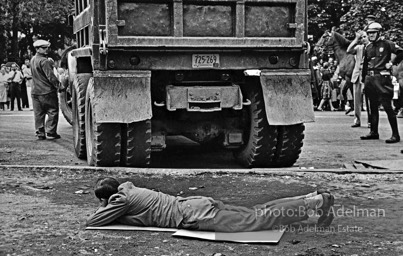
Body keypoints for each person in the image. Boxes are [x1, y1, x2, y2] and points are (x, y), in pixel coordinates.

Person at [86, 177, 335, 232]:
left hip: (195, 215)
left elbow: (93, 222)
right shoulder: (129, 189)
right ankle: (311, 198)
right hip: (195, 203)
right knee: (256, 212)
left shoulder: (120, 200)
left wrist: (104, 207)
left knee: (256, 220)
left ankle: (316, 201)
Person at [360, 22, 403, 143]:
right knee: (372, 107)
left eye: (373, 33)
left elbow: (401, 52)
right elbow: (364, 66)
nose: (371, 35)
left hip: (382, 78)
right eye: (369, 33)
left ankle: (395, 134)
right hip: (370, 78)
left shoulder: (387, 44)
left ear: (379, 33)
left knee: (387, 107)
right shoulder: (368, 47)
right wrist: (364, 81)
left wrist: (392, 63)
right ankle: (374, 132)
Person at [30, 39, 63, 140]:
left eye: (47, 48)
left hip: (35, 91)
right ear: (37, 49)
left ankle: (40, 133)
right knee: (52, 111)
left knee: (38, 113)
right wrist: (59, 86)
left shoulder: (33, 59)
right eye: (44, 48)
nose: (46, 50)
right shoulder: (44, 61)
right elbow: (51, 77)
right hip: (47, 91)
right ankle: (51, 132)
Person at [347, 30, 371, 128]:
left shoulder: (372, 48)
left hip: (368, 76)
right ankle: (357, 120)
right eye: (361, 37)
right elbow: (349, 50)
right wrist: (356, 39)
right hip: (357, 75)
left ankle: (371, 121)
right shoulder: (359, 48)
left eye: (364, 37)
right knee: (357, 100)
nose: (363, 39)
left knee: (369, 100)